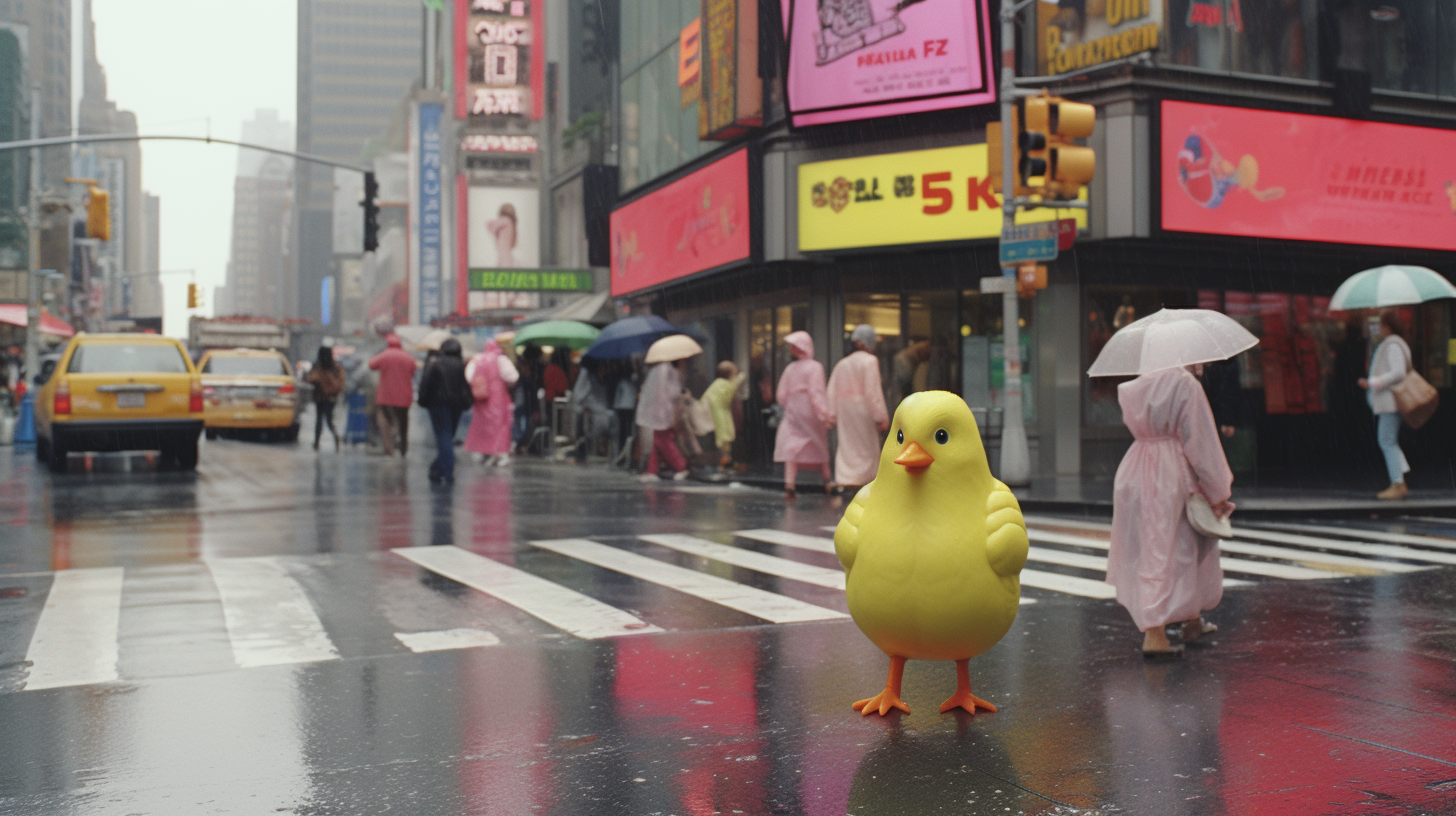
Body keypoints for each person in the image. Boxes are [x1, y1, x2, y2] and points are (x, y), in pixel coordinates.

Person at [1107, 365, 1235, 658]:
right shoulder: (1184, 382)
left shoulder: (1137, 384)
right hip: (1172, 470)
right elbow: (1200, 440)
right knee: (1175, 549)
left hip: (1135, 468)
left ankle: (1191, 620)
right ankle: (1155, 634)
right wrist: (1219, 490)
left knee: (1152, 547)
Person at [828, 325, 890, 491]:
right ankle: (866, 480)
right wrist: (880, 417)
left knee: (847, 445)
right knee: (867, 446)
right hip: (864, 411)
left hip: (845, 410)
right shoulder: (870, 361)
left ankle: (846, 479)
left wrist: (831, 414)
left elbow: (832, 390)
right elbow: (872, 392)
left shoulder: (842, 363)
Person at [1358, 311, 1413, 500]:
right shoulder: (1396, 344)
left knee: (1386, 441)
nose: (1378, 329)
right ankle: (1400, 480)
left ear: (1387, 327)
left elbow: (1398, 373)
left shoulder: (1392, 345)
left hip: (1391, 401)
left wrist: (1375, 381)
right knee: (1389, 441)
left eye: (1381, 325)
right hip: (1392, 401)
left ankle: (1398, 483)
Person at [774, 331, 833, 500]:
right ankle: (827, 480)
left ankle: (790, 485)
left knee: (791, 446)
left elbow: (781, 395)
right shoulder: (815, 367)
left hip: (793, 410)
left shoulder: (790, 368)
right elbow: (817, 393)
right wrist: (824, 414)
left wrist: (789, 404)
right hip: (809, 410)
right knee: (819, 441)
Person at [417, 338, 472, 483]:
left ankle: (447, 470)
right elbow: (465, 386)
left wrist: (423, 401)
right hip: (456, 405)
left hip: (438, 405)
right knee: (448, 436)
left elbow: (425, 384)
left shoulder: (435, 364)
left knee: (443, 436)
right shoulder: (461, 365)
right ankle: (437, 469)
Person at [464, 338, 520, 466]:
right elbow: (513, 376)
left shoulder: (477, 359)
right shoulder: (501, 360)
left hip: (481, 399)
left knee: (483, 427)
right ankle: (500, 453)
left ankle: (485, 452)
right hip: (498, 400)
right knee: (500, 427)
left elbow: (468, 376)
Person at [635, 358, 690, 482]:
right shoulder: (668, 370)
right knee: (658, 441)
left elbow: (660, 392)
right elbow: (671, 392)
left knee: (661, 440)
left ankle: (680, 465)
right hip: (662, 411)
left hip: (660, 411)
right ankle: (652, 469)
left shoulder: (662, 369)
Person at [368, 334, 417, 457]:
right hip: (404, 397)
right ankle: (403, 448)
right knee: (403, 422)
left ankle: (388, 449)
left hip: (386, 396)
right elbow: (414, 369)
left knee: (386, 422)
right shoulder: (407, 357)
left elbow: (371, 364)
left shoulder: (384, 355)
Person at [568, 357, 616, 463]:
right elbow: (579, 398)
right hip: (597, 417)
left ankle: (587, 449)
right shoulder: (589, 377)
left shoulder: (604, 381)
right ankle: (587, 449)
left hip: (603, 417)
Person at [702, 360, 746, 470]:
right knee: (725, 438)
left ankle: (725, 461)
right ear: (731, 373)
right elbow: (737, 381)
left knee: (722, 439)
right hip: (721, 413)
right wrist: (743, 373)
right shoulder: (727, 384)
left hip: (717, 412)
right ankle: (724, 462)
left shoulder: (717, 383)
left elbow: (706, 398)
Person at [305, 345, 346, 451]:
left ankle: (317, 442)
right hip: (331, 397)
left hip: (319, 397)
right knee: (329, 419)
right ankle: (336, 439)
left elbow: (310, 379)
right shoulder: (335, 366)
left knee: (319, 419)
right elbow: (340, 381)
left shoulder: (317, 366)